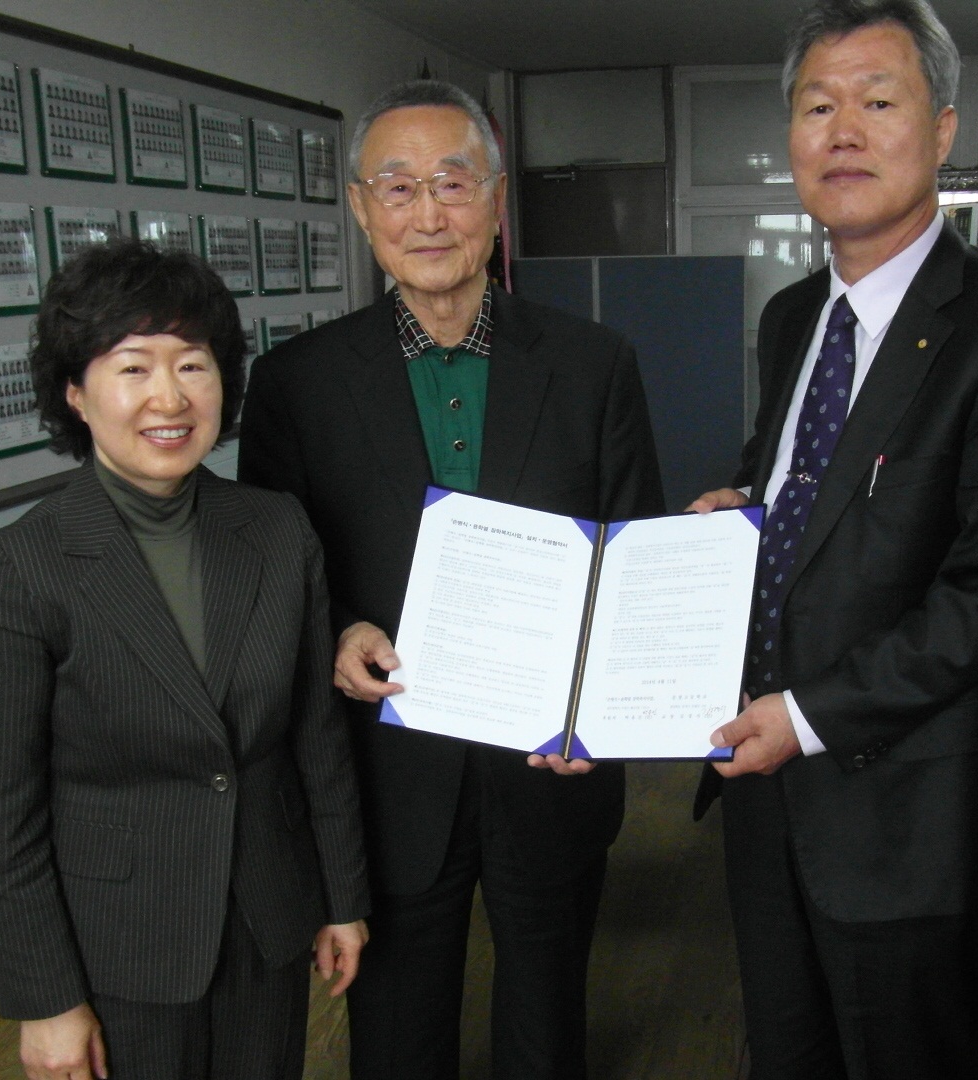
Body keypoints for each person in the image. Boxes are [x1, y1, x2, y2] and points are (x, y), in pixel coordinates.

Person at [684, 1, 978, 1075]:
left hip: (911, 818)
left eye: (878, 101)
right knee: (786, 1054)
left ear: (943, 129)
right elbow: (807, 487)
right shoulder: (793, 318)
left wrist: (809, 716)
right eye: (817, 106)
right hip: (763, 792)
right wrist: (739, 509)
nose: (844, 132)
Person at [237, 80, 664, 1080]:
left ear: (497, 199)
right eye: (397, 187)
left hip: (550, 770)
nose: (427, 214)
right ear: (361, 209)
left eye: (453, 182)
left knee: (547, 1031)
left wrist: (596, 708)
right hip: (386, 780)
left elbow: (634, 563)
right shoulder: (296, 383)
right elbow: (273, 573)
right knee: (396, 1040)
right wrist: (340, 632)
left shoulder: (594, 364)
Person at [0, 238, 370, 1080]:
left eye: (193, 365)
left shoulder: (277, 529)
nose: (169, 397)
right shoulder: (20, 567)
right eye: (133, 367)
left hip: (267, 920)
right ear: (75, 392)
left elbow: (317, 739)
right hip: (117, 946)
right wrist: (45, 999)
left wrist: (342, 897)